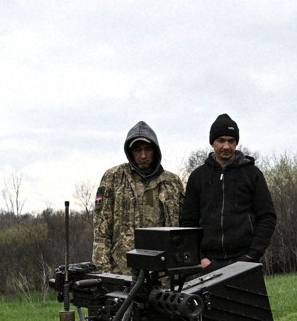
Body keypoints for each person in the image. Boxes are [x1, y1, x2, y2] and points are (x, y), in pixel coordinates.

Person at [180, 114, 277, 269]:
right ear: (212, 143)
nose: (226, 146)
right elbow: (188, 222)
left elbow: (267, 217)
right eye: (221, 140)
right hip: (209, 264)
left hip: (246, 262)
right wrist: (201, 257)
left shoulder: (252, 174)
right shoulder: (198, 176)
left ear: (236, 143)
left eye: (231, 141)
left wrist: (252, 255)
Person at [92, 121, 184, 274]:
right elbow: (101, 230)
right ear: (130, 152)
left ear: (155, 150)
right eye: (137, 150)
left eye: (147, 149)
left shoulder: (172, 182)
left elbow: (183, 230)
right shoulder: (113, 177)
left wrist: (179, 271)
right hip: (122, 271)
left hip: (163, 273)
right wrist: (104, 273)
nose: (143, 155)